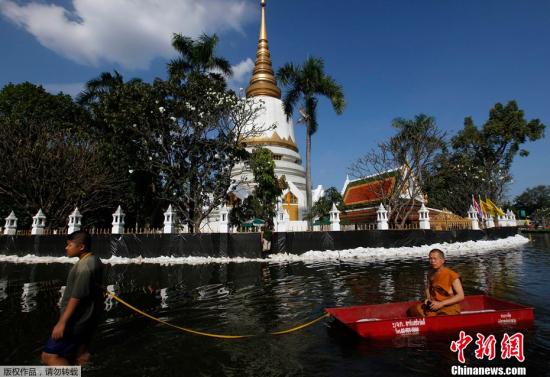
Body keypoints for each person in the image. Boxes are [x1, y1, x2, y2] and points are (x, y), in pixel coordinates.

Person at [41, 230, 103, 366]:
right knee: (80, 355)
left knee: (49, 356)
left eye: (69, 245)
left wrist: (62, 322)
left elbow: (76, 297)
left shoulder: (85, 267)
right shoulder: (94, 260)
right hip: (89, 316)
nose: (66, 248)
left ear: (81, 247)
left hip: (77, 319)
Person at [407, 248, 464, 317]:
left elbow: (461, 296)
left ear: (442, 260)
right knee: (412, 310)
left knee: (440, 318)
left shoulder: (451, 275)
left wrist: (442, 303)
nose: (432, 261)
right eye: (430, 259)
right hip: (433, 305)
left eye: (435, 259)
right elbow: (428, 288)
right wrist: (428, 299)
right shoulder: (430, 274)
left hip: (448, 306)